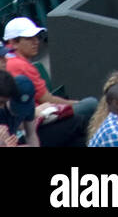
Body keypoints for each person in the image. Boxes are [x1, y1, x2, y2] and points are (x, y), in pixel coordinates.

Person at [3, 17, 98, 146]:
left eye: (36, 37)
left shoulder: (14, 63)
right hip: (32, 125)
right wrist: (76, 103)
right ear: (13, 42)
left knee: (79, 139)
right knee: (89, 107)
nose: (36, 42)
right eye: (29, 38)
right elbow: (47, 100)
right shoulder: (18, 65)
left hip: (34, 123)